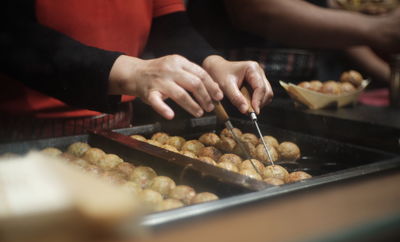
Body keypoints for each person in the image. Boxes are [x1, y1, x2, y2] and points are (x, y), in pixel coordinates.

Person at [0, 0, 273, 141]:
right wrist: (132, 71)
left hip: (119, 125)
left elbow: (169, 23)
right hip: (22, 130)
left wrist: (213, 62)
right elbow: (12, 35)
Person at [187, 0, 400, 86]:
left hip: (309, 87)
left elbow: (327, 16)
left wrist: (385, 72)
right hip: (237, 88)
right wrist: (378, 29)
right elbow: (256, 10)